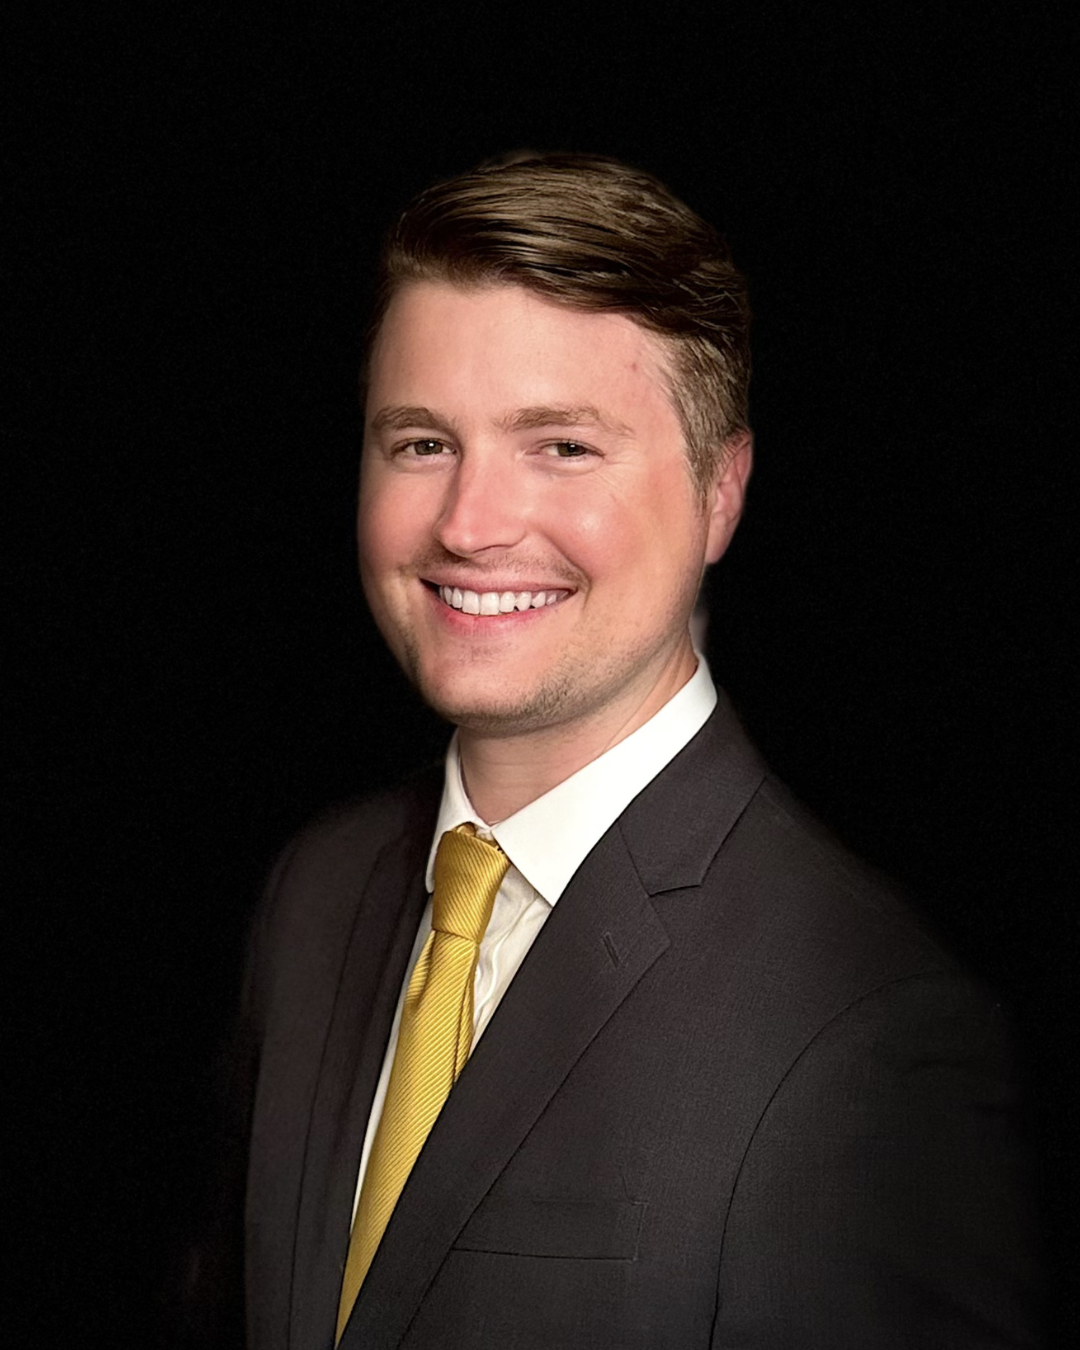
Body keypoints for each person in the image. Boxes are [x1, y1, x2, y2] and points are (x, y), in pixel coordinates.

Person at [226, 153, 1041, 1348]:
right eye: (422, 444)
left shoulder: (870, 1034)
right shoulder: (316, 895)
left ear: (723, 491)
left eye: (561, 447)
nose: (470, 526)